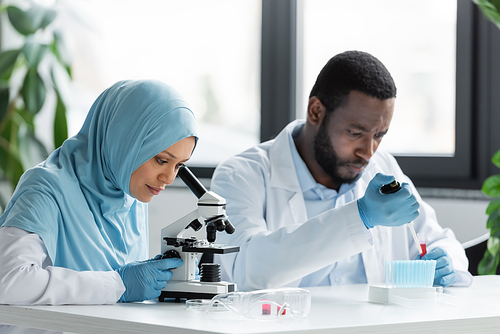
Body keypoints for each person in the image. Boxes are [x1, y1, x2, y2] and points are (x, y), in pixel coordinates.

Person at [211, 50, 473, 291]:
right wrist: (359, 218)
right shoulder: (240, 176)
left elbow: (437, 238)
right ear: (316, 111)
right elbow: (245, 271)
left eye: (379, 135)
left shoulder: (382, 166)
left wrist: (445, 260)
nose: (368, 152)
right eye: (355, 133)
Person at [0, 79, 198, 305]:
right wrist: (118, 285)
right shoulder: (46, 188)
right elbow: (8, 281)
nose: (169, 178)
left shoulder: (129, 196)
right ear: (124, 141)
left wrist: (166, 283)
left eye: (179, 165)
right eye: (161, 160)